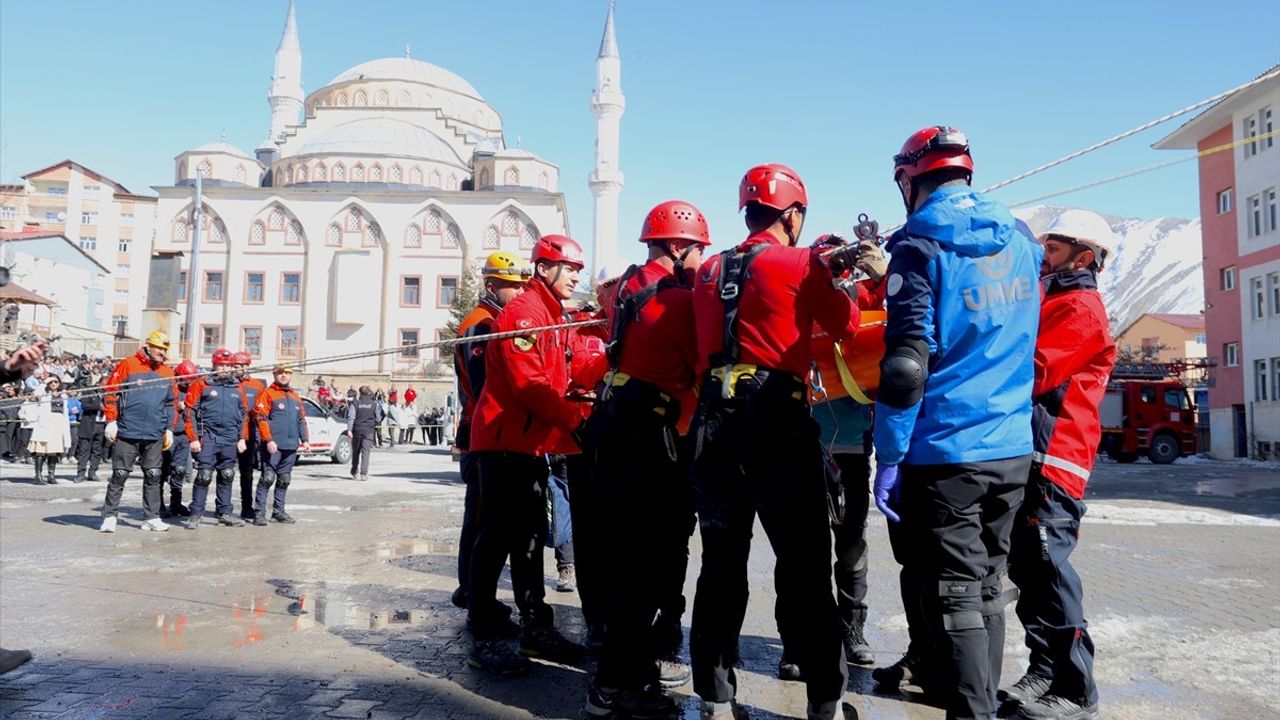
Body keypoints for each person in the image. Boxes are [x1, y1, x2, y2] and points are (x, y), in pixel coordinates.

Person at [871, 126, 1042, 720]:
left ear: (909, 180)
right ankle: (978, 705)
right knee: (988, 588)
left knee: (959, 597)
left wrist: (890, 453)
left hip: (948, 452)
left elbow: (905, 369)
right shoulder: (1021, 238)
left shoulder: (918, 246)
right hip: (1011, 447)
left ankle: (971, 713)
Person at [689, 164, 859, 720]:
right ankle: (825, 700)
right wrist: (838, 277)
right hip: (776, 422)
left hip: (715, 425)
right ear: (792, 214)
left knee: (720, 565)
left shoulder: (708, 269)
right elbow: (846, 325)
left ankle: (715, 699)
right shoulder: (802, 262)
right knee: (806, 565)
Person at [582, 200, 709, 717]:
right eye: (697, 250)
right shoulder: (677, 301)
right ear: (677, 246)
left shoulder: (628, 287)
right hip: (647, 441)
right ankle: (618, 685)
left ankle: (625, 674)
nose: (701, 259)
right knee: (643, 569)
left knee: (625, 563)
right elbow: (706, 364)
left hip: (616, 431)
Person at [998, 212, 1116, 720]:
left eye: (1052, 249)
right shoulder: (1051, 300)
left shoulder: (1081, 308)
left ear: (1083, 257)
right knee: (1028, 567)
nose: (1042, 258)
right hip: (1035, 451)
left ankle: (1077, 689)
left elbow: (1036, 369)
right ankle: (1045, 671)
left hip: (1057, 457)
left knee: (1050, 569)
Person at [466, 234, 589, 676]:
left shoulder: (551, 315)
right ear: (543, 268)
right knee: (497, 536)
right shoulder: (524, 314)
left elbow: (563, 373)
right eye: (569, 268)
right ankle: (483, 631)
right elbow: (529, 386)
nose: (575, 277)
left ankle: (536, 626)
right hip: (504, 442)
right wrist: (578, 421)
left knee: (530, 538)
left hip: (528, 442)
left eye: (578, 270)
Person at [778, 232, 889, 680]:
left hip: (851, 447)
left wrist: (882, 275)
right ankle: (796, 640)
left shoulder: (862, 301)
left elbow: (899, 318)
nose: (838, 272)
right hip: (799, 442)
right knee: (798, 549)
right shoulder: (795, 304)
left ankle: (851, 628)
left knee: (850, 544)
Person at [450, 250, 530, 611]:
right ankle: (471, 591)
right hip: (482, 432)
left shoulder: (493, 320)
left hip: (483, 430)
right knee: (481, 517)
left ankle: (471, 589)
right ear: (491, 286)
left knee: (482, 516)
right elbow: (484, 388)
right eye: (514, 287)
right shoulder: (481, 325)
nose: (520, 292)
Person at [101, 331, 181, 533]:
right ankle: (109, 516)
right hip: (128, 430)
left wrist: (169, 429)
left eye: (165, 349)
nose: (162, 352)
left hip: (155, 432)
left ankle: (151, 517)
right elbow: (111, 391)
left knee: (154, 475)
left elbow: (171, 403)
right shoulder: (128, 364)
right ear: (148, 346)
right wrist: (111, 420)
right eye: (159, 348)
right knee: (120, 474)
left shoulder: (167, 372)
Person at [182, 350, 249, 529]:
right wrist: (193, 438)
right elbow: (189, 412)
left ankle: (224, 513)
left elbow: (244, 415)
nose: (224, 368)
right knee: (204, 476)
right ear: (214, 365)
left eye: (227, 365)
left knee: (227, 475)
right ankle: (195, 514)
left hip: (230, 438)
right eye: (221, 365)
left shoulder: (238, 387)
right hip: (208, 437)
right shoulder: (201, 384)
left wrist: (242, 438)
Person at [252, 363, 310, 525]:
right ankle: (259, 513)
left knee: (284, 479)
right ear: (274, 375)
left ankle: (278, 512)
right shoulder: (267, 394)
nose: (283, 375)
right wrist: (268, 440)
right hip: (273, 446)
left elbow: (301, 420)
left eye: (287, 373)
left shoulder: (295, 397)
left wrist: (305, 440)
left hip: (291, 446)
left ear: (291, 375)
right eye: (280, 373)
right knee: (267, 478)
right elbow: (261, 418)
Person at [160, 359, 199, 518]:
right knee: (162, 471)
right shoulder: (169, 386)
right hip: (168, 433)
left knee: (179, 470)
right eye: (186, 380)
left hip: (183, 434)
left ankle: (176, 503)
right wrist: (178, 405)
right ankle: (158, 504)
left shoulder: (192, 389)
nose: (188, 383)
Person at [235, 351, 268, 520]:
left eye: (242, 365)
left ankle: (247, 507)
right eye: (236, 366)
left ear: (248, 366)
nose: (239, 368)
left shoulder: (257, 386)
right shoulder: (228, 384)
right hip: (229, 435)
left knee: (247, 473)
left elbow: (263, 411)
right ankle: (222, 508)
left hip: (250, 436)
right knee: (224, 472)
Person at [28, 376, 71, 484]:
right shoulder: (44, 394)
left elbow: (65, 412)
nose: (53, 384)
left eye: (55, 381)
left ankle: (51, 475)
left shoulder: (63, 395)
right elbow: (36, 393)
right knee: (41, 451)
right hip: (45, 425)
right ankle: (38, 476)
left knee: (53, 452)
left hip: (58, 425)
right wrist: (45, 381)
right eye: (51, 382)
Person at [74, 380, 107, 482]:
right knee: (84, 450)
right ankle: (81, 473)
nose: (105, 385)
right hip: (89, 424)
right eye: (104, 383)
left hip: (101, 424)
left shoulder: (108, 394)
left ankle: (92, 472)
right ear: (98, 383)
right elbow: (84, 406)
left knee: (97, 451)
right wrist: (98, 407)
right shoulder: (89, 391)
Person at [347, 385, 382, 481]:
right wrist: (373, 423)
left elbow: (351, 417)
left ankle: (354, 472)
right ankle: (364, 474)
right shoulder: (374, 404)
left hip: (357, 430)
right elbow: (378, 418)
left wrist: (349, 430)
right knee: (366, 452)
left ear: (360, 393)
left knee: (356, 452)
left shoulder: (355, 403)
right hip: (369, 431)